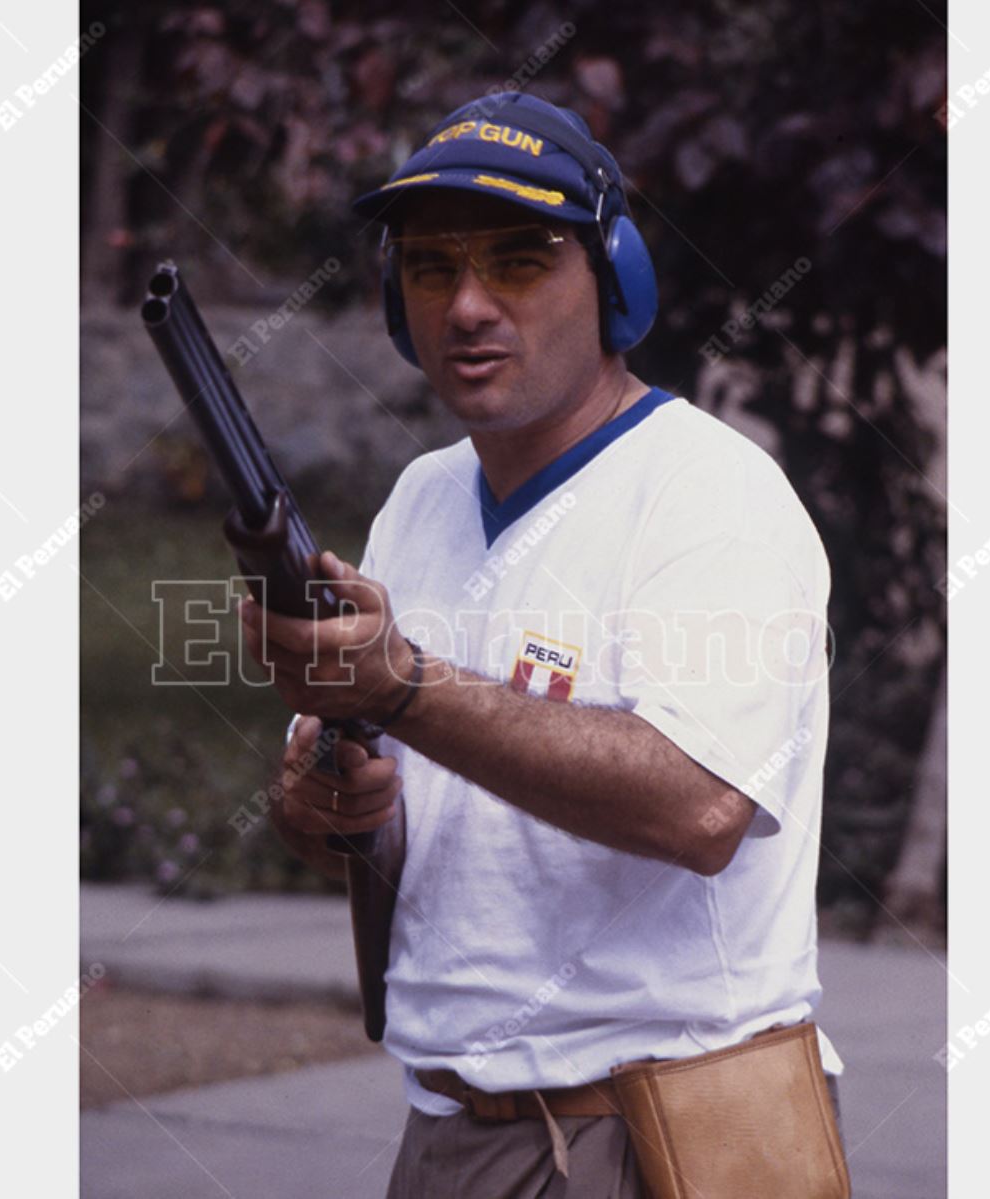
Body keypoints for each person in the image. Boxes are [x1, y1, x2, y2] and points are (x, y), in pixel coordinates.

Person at [240, 92, 847, 1198]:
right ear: (395, 300)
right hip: (451, 1128)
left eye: (521, 261)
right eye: (430, 268)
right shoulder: (419, 500)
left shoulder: (709, 494)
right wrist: (324, 799)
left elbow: (701, 807)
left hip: (662, 1138)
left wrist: (409, 687)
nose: (469, 305)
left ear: (614, 286)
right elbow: (388, 827)